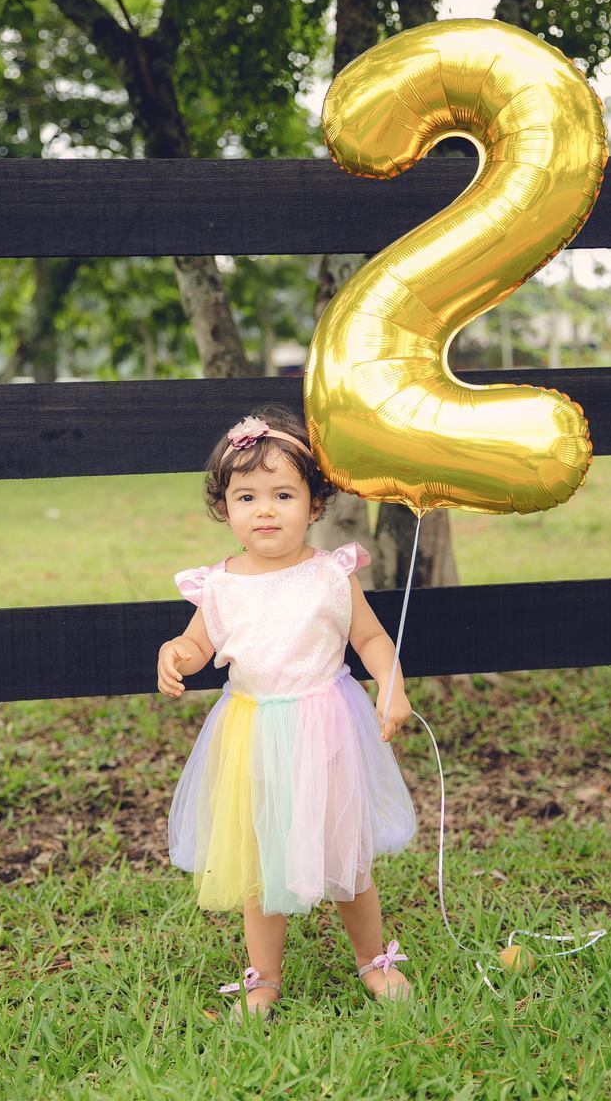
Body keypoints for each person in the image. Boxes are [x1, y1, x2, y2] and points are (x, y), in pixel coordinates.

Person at [157, 403, 417, 1024]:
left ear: (315, 503)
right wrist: (177, 653)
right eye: (247, 497)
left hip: (327, 727)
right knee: (262, 859)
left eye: (283, 494)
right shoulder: (220, 586)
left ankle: (373, 959)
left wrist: (392, 685)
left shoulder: (330, 575)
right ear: (225, 508)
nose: (265, 510)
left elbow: (369, 639)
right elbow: (199, 644)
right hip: (252, 734)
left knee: (345, 854)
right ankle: (264, 975)